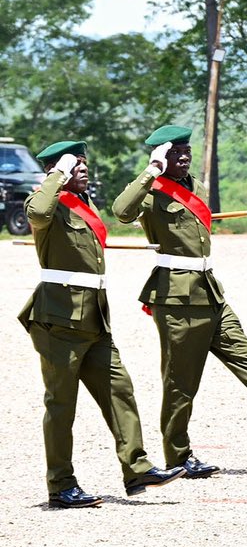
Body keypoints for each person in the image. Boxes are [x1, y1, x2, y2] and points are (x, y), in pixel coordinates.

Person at [109, 123, 247, 478]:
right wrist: (151, 170)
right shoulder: (151, 191)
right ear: (160, 156)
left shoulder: (196, 187)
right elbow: (121, 211)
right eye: (175, 152)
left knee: (245, 355)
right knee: (180, 381)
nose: (184, 156)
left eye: (186, 151)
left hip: (208, 288)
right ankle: (178, 455)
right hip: (176, 296)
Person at [21, 139, 179, 507]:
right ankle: (61, 485)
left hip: (94, 317)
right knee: (61, 404)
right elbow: (39, 213)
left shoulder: (83, 205)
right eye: (73, 164)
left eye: (83, 163)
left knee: (119, 389)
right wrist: (58, 173)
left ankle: (137, 467)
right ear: (53, 170)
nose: (82, 168)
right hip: (58, 318)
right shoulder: (45, 201)